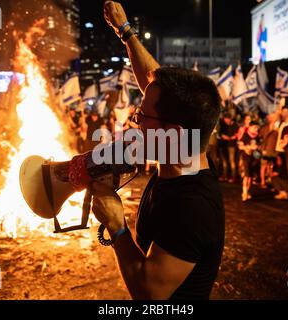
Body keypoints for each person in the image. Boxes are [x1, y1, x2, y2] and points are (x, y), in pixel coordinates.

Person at [87, 1, 225, 300]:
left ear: (173, 133)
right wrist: (125, 32)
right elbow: (154, 79)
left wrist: (117, 226)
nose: (135, 123)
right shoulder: (187, 155)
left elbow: (149, 291)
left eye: (141, 117)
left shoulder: (192, 208)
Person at [238, 121, 261, 202]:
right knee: (246, 176)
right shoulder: (245, 135)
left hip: (254, 159)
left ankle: (247, 191)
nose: (256, 130)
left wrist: (257, 148)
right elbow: (240, 146)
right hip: (246, 158)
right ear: (250, 127)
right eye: (255, 128)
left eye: (257, 128)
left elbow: (259, 147)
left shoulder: (257, 136)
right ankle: (244, 193)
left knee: (250, 176)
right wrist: (247, 148)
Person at [218, 113, 238, 182]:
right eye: (225, 119)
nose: (226, 121)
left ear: (230, 119)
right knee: (224, 161)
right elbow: (220, 133)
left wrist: (232, 137)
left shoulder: (235, 125)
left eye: (227, 119)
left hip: (231, 145)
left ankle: (233, 176)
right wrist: (223, 136)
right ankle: (224, 175)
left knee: (232, 161)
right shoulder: (223, 124)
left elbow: (237, 134)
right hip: (223, 145)